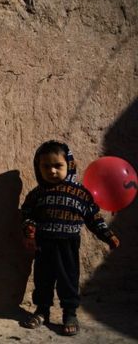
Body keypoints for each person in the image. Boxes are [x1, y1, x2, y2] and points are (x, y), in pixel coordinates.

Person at [20, 140, 120, 336]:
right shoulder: (38, 193)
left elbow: (94, 218)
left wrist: (107, 235)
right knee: (43, 279)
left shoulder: (81, 194)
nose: (52, 171)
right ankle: (42, 311)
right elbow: (26, 212)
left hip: (68, 245)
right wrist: (29, 227)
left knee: (68, 279)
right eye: (46, 166)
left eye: (58, 165)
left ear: (70, 165)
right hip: (44, 245)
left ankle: (70, 313)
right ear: (38, 168)